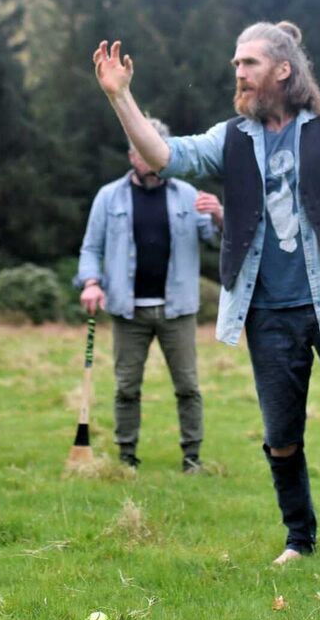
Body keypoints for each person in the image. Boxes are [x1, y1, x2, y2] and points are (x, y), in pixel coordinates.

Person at [92, 21, 320, 571]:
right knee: (281, 438)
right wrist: (120, 97)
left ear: (283, 70)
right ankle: (299, 540)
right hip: (267, 313)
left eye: (249, 63)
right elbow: (164, 155)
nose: (238, 72)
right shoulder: (232, 138)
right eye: (236, 64)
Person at [74, 117, 223, 473]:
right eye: (143, 150)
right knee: (127, 387)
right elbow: (91, 248)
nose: (150, 157)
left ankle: (192, 457)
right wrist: (91, 282)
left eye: (157, 150)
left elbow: (218, 240)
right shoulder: (108, 197)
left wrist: (219, 215)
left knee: (188, 386)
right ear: (132, 155)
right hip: (127, 310)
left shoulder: (188, 195)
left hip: (178, 309)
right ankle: (126, 456)